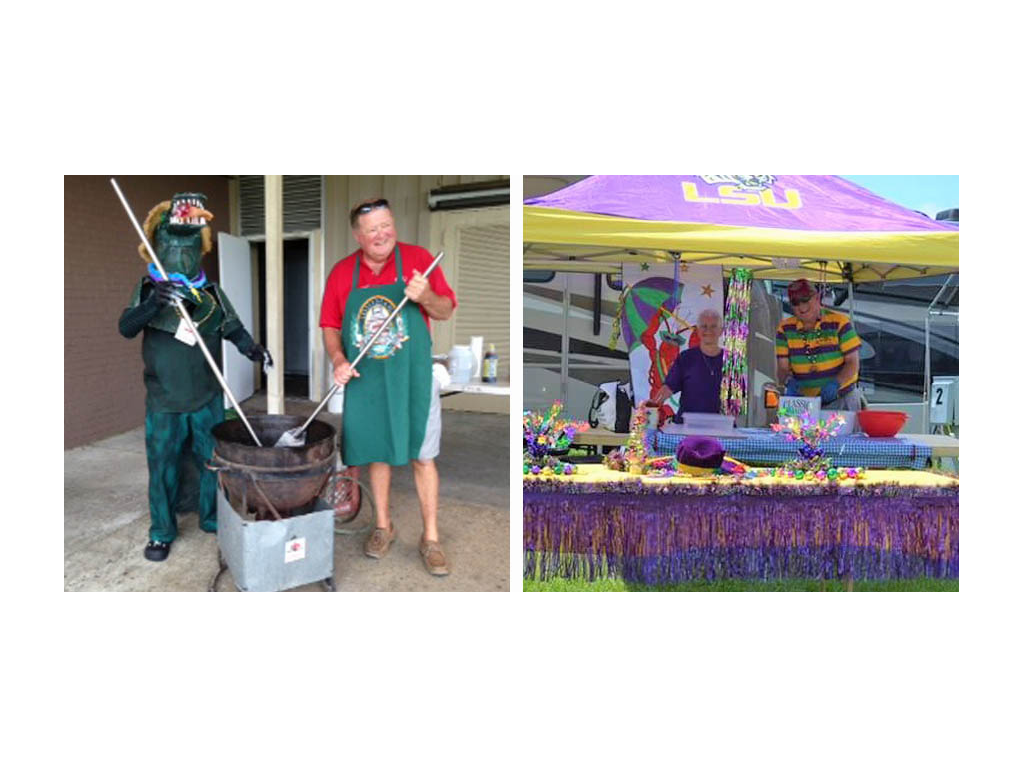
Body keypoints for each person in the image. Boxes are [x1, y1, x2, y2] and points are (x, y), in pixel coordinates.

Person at [118, 193, 271, 562]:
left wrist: (254, 350)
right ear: (159, 247)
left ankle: (212, 516)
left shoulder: (212, 296)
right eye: (173, 244)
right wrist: (155, 302)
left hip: (207, 397)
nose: (181, 253)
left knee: (212, 462)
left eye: (189, 245)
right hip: (164, 401)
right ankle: (161, 531)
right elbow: (126, 327)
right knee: (162, 466)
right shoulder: (148, 291)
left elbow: (234, 330)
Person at [319, 199, 457, 576]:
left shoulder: (419, 259)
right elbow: (331, 325)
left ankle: (430, 538)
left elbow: (445, 309)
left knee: (422, 455)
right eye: (372, 229)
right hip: (368, 379)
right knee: (378, 452)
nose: (382, 234)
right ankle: (383, 526)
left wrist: (425, 295)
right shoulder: (342, 273)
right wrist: (338, 360)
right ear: (357, 235)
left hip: (412, 376)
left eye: (387, 225)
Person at [772, 278, 862, 410]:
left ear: (817, 298)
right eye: (795, 302)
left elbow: (853, 363)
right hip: (804, 403)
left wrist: (836, 383)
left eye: (805, 300)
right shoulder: (784, 329)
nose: (801, 307)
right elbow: (783, 368)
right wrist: (787, 382)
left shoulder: (840, 323)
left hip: (842, 397)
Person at [648, 308, 724, 421]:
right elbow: (668, 387)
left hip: (721, 426)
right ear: (698, 331)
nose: (708, 330)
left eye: (713, 326)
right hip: (687, 425)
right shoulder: (686, 358)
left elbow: (739, 396)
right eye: (704, 326)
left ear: (721, 331)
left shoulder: (731, 361)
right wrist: (652, 407)